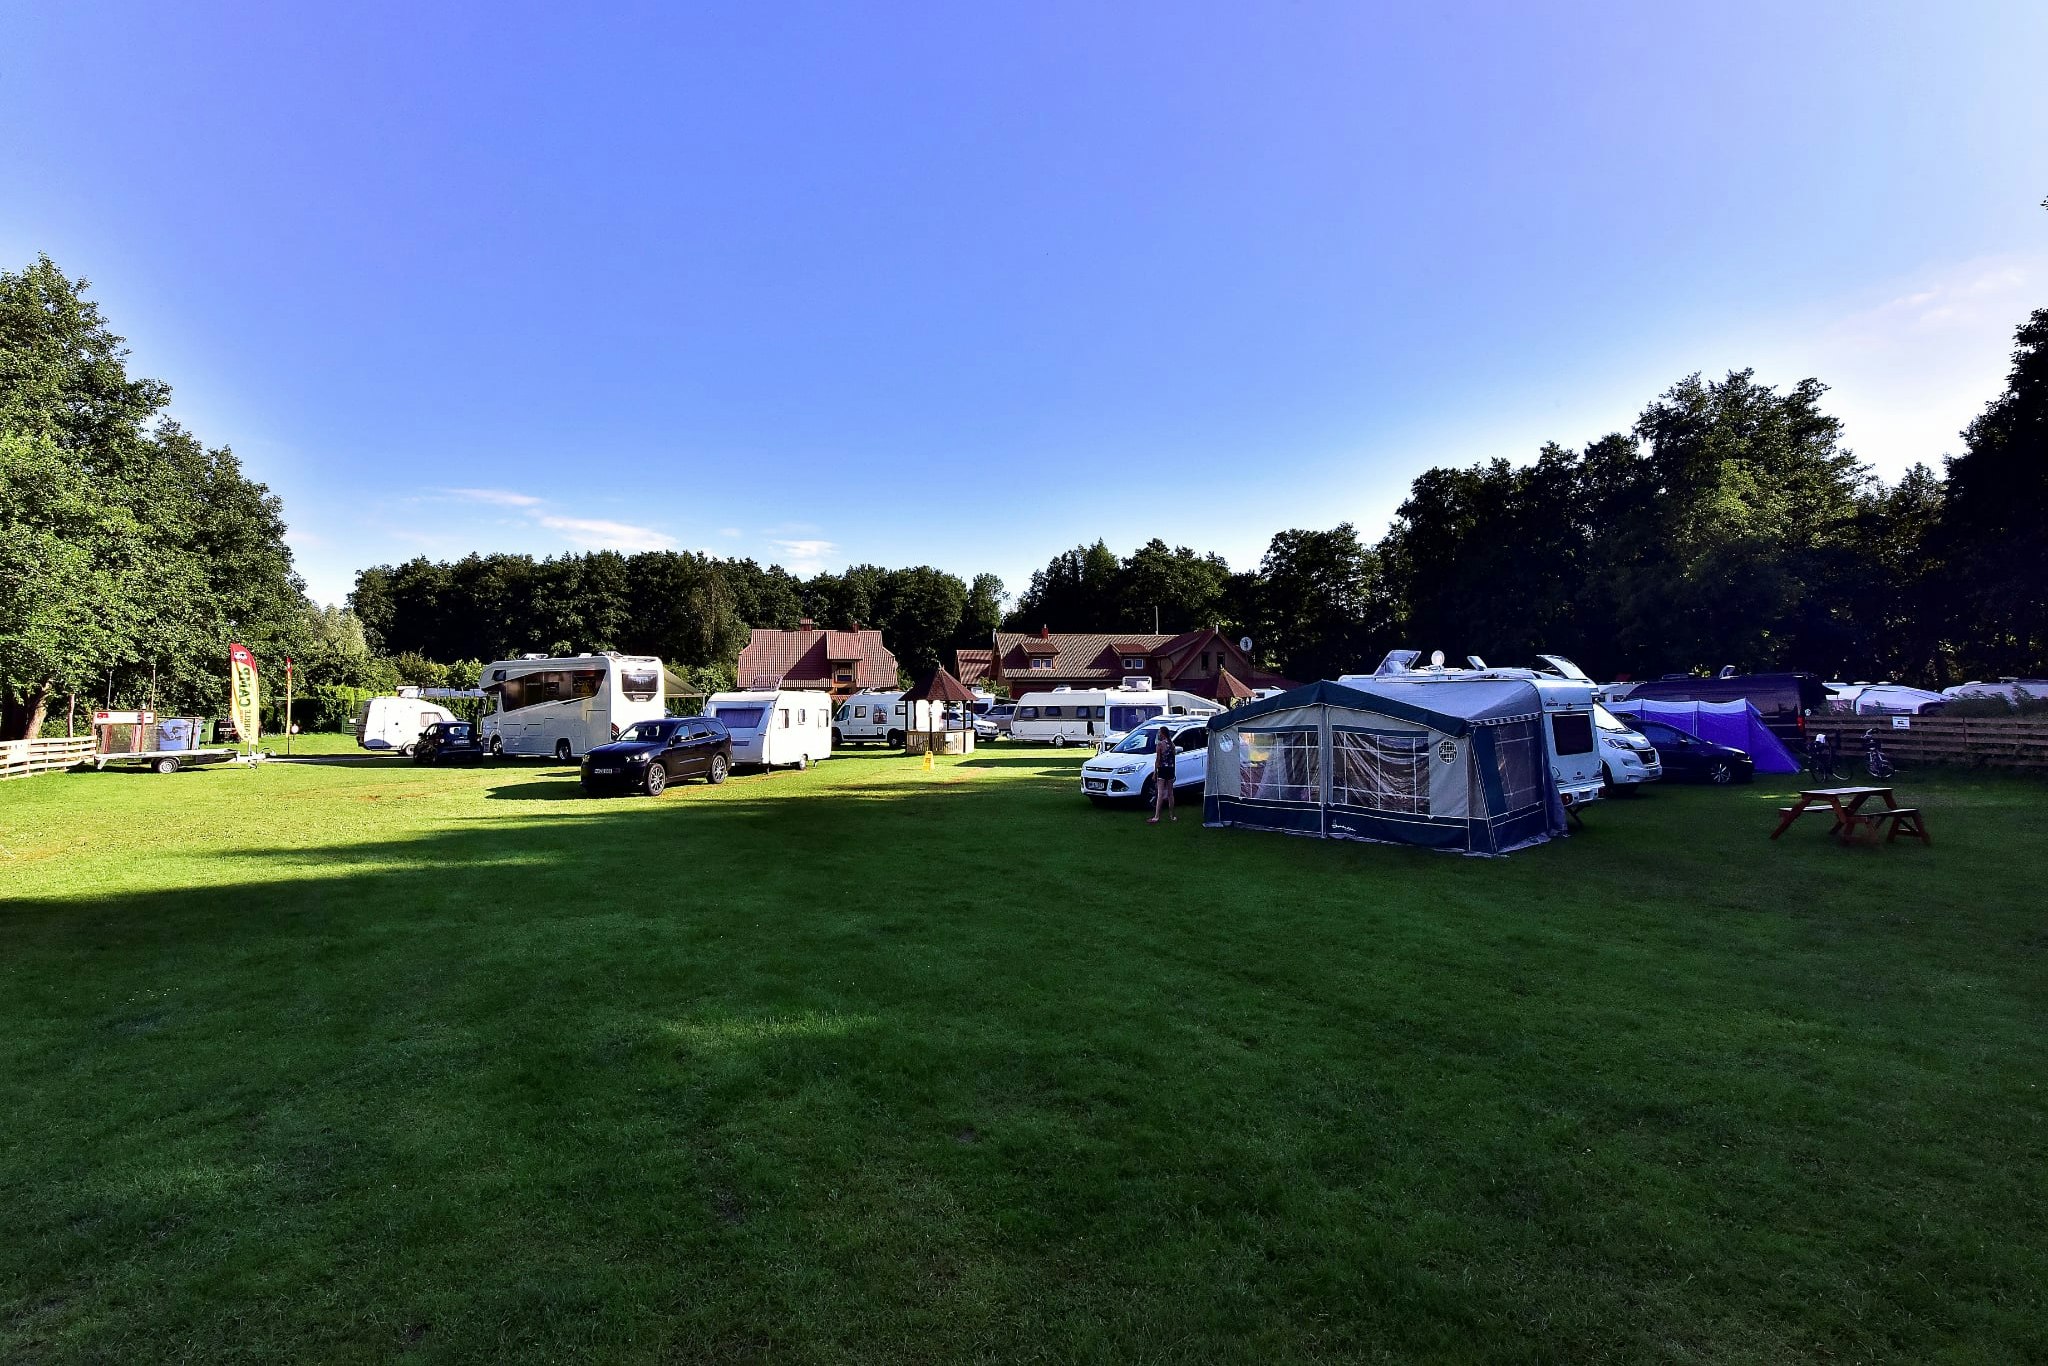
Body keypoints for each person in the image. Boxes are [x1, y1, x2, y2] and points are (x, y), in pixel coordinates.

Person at [1148, 725, 1177, 824]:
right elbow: (1173, 759)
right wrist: (1174, 771)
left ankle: (1156, 816)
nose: (1159, 734)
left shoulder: (1160, 745)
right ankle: (1172, 815)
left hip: (1162, 770)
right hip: (1170, 770)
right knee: (1170, 793)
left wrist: (1155, 772)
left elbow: (1158, 759)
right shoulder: (1172, 744)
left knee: (1160, 793)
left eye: (1160, 732)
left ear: (1163, 733)